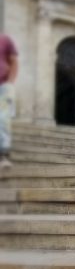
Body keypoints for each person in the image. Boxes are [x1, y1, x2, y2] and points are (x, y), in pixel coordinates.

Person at [0, 33, 18, 169]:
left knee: (3, 119)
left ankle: (3, 155)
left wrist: (10, 84)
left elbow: (14, 61)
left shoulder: (5, 39)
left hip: (3, 86)